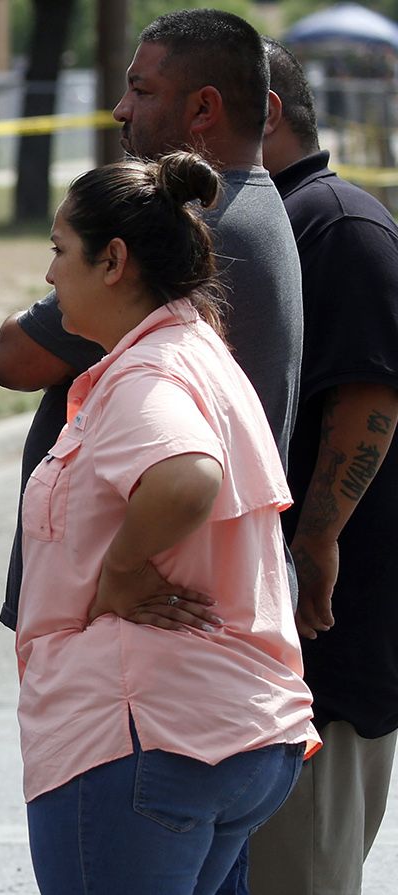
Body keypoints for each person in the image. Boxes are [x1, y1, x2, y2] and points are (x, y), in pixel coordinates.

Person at [17, 151, 318, 893]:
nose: (50, 275)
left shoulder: (148, 373)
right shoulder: (198, 350)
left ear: (112, 260)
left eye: (60, 250)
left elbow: (188, 476)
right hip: (233, 731)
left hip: (143, 735)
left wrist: (119, 571)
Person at [0, 8, 303, 632]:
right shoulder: (244, 210)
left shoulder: (192, 231)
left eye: (142, 89)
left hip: (149, 613)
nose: (120, 109)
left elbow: (14, 358)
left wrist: (123, 567)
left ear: (204, 109)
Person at [247, 40, 398, 895]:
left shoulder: (337, 224)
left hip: (322, 659)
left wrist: (316, 539)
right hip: (257, 660)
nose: (124, 113)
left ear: (263, 111)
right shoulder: (269, 219)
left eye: (149, 91)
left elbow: (370, 393)